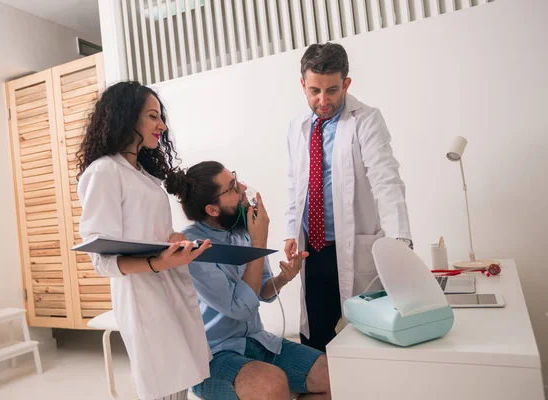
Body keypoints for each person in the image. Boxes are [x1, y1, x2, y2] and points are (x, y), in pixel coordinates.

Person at [76, 81, 212, 400]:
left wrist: (172, 241)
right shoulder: (104, 173)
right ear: (128, 117)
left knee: (179, 383)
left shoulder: (145, 177)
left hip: (168, 286)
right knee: (163, 383)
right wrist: (157, 262)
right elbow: (102, 259)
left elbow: (152, 233)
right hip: (142, 297)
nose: (162, 126)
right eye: (153, 116)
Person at [284, 43, 413, 353]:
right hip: (310, 250)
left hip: (352, 249)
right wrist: (290, 231)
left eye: (332, 90)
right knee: (317, 338)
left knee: (361, 340)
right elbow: (295, 184)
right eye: (314, 90)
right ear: (303, 84)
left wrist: (400, 242)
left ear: (346, 84)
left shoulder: (366, 120)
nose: (323, 100)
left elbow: (386, 179)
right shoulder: (297, 126)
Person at [164, 162, 332, 400]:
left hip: (256, 339)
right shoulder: (194, 248)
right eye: (232, 187)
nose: (243, 187)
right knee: (270, 385)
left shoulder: (241, 231)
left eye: (235, 178)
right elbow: (240, 309)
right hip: (214, 355)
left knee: (333, 375)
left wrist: (283, 278)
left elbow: (262, 291)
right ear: (212, 209)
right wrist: (258, 243)